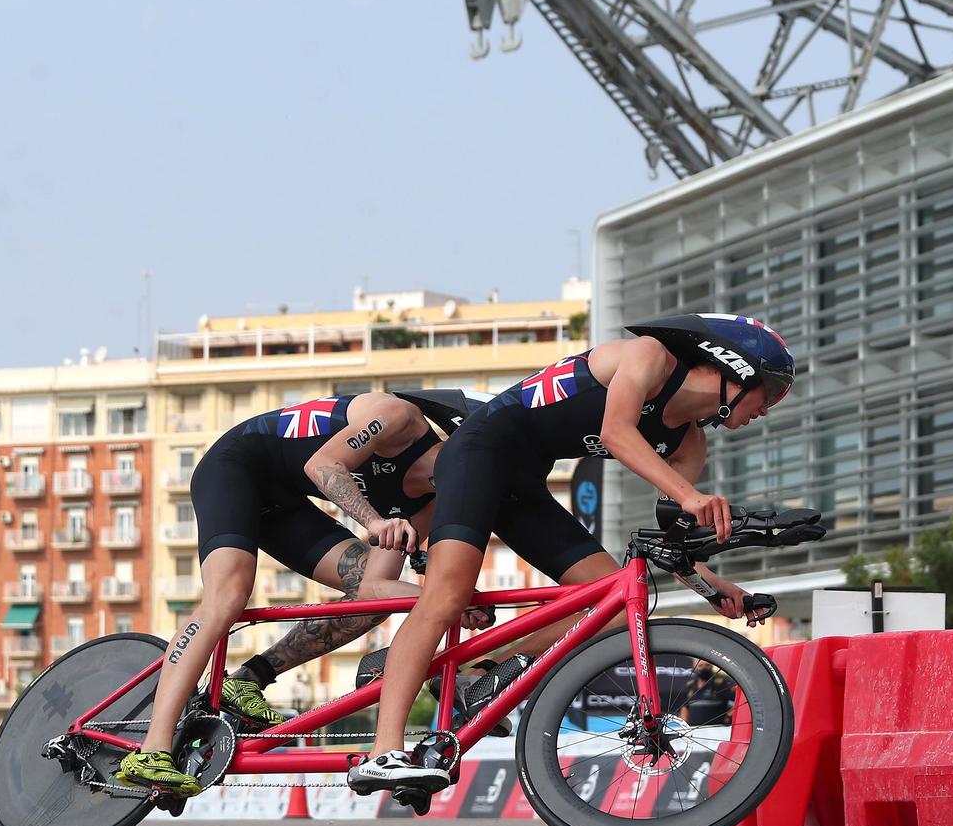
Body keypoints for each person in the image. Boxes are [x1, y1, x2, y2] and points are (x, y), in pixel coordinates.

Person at [348, 313, 793, 796]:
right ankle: (382, 752)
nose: (767, 410)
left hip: (521, 487)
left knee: (619, 604)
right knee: (447, 597)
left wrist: (714, 586)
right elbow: (617, 431)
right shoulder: (651, 358)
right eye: (769, 395)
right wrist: (690, 495)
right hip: (477, 454)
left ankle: (487, 671)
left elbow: (675, 535)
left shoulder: (689, 441)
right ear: (736, 368)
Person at [117, 389, 489, 796]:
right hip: (236, 466)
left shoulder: (430, 502)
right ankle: (151, 748)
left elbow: (374, 588)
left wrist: (447, 601)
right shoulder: (399, 417)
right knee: (228, 595)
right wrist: (375, 521)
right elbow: (322, 464)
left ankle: (249, 678)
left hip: (284, 501)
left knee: (370, 605)